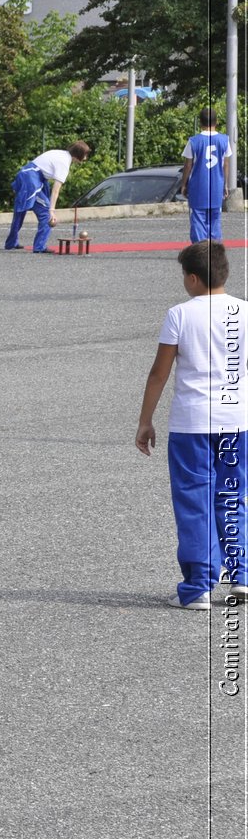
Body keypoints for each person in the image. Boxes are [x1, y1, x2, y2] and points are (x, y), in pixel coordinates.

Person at [135, 241, 248, 609]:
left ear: (193, 278)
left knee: (194, 500)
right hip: (236, 420)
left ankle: (199, 585)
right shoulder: (244, 312)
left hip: (192, 423)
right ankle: (241, 576)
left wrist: (145, 420)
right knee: (232, 494)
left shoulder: (180, 315)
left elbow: (159, 373)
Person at [4, 141, 92, 253]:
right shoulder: (64, 164)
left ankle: (11, 243)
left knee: (20, 213)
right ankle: (39, 247)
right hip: (31, 182)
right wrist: (52, 210)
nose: (85, 157)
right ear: (79, 154)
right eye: (85, 154)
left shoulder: (59, 153)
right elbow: (55, 190)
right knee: (46, 213)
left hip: (24, 174)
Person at [181, 108, 233, 243]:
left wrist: (184, 184)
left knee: (198, 218)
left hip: (199, 186)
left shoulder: (193, 141)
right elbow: (226, 165)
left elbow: (188, 165)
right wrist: (225, 184)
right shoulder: (224, 140)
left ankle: (200, 248)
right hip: (216, 185)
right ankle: (215, 248)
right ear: (217, 122)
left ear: (200, 122)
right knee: (215, 218)